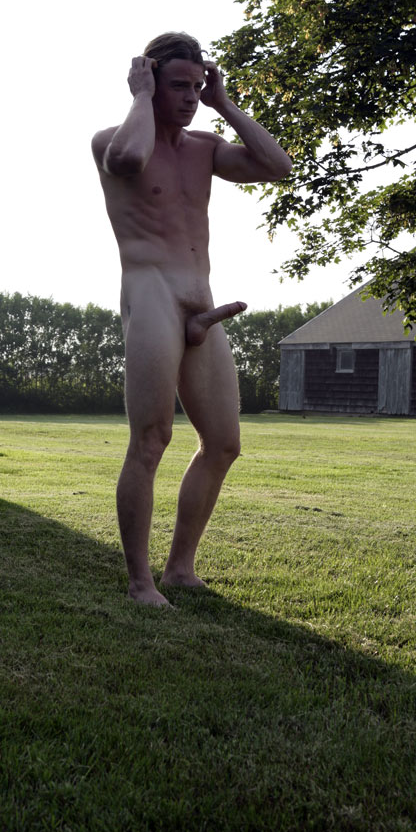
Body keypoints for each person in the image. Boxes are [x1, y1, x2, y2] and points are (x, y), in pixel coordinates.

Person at [91, 32, 292, 606]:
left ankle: (180, 567)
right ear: (150, 80)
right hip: (150, 294)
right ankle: (140, 582)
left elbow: (277, 167)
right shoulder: (112, 139)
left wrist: (223, 103)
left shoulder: (205, 147)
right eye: (179, 85)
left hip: (202, 300)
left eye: (197, 85)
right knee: (152, 439)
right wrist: (139, 95)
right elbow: (128, 161)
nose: (189, 97)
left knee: (224, 443)